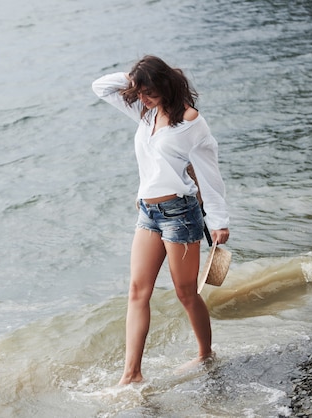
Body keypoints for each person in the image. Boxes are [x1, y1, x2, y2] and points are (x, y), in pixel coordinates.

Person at [92, 55, 230, 385]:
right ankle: (132, 374)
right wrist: (136, 77)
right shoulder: (145, 112)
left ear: (165, 86)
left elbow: (210, 174)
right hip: (147, 214)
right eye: (139, 93)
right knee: (137, 292)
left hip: (180, 215)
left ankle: (205, 354)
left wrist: (219, 221)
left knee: (186, 293)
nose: (142, 98)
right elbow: (100, 87)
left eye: (149, 92)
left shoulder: (191, 122)